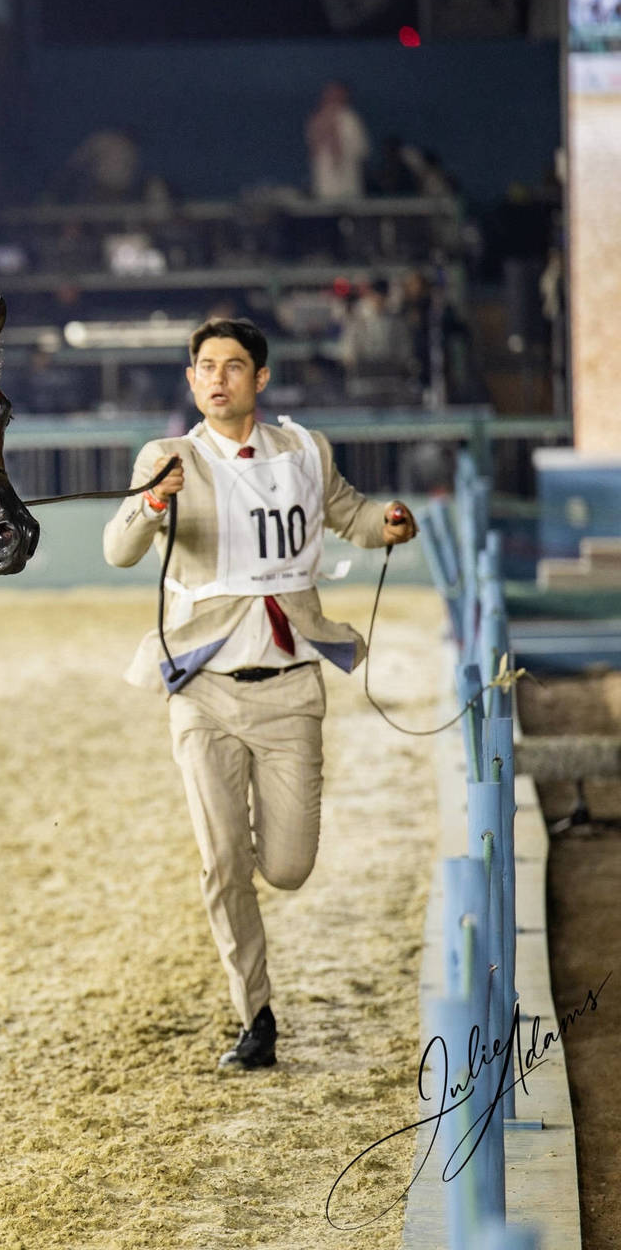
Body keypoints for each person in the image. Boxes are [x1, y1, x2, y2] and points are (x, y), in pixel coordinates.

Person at [102, 317, 418, 1071]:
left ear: (261, 379)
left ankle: (244, 848)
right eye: (206, 367)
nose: (218, 379)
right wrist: (152, 505)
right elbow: (118, 548)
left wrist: (388, 524)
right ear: (191, 381)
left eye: (234, 366)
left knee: (288, 867)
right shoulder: (168, 458)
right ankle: (256, 1015)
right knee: (223, 864)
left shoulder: (305, 451)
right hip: (202, 691)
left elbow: (351, 513)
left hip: (291, 689)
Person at [305, 82, 370, 203]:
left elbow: (361, 150)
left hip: (347, 177)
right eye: (331, 94)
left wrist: (338, 145)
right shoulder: (317, 119)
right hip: (325, 181)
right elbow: (312, 147)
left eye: (337, 94)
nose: (333, 97)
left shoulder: (350, 118)